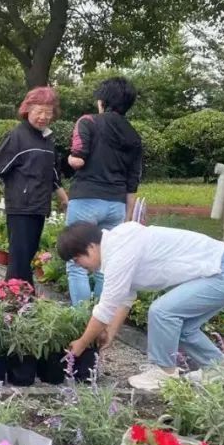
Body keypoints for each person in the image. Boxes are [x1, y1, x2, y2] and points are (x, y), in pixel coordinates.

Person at [57, 221, 224, 391]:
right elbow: (124, 298)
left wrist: (82, 343)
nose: (79, 266)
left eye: (77, 260)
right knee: (183, 328)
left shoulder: (120, 249)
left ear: (91, 247)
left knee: (162, 312)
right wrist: (110, 334)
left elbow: (106, 307)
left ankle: (165, 372)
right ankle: (220, 370)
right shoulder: (117, 247)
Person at [0, 87, 69, 284]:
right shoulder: (17, 136)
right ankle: (15, 299)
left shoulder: (47, 140)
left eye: (48, 112)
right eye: (39, 111)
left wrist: (65, 200)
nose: (43, 117)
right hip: (21, 206)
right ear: (27, 109)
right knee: (19, 260)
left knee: (27, 257)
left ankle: (20, 299)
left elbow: (53, 175)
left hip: (39, 207)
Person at [65, 77, 144, 305]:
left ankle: (80, 319)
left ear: (102, 101)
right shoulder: (133, 135)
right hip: (116, 204)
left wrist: (69, 158)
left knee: (76, 262)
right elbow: (133, 181)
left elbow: (78, 160)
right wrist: (128, 217)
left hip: (86, 199)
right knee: (105, 263)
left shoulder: (88, 121)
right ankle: (99, 319)